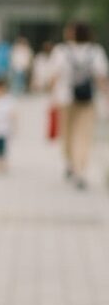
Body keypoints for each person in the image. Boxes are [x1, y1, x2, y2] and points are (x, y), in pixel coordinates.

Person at [51, 21, 108, 189]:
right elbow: (101, 78)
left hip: (65, 99)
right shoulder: (96, 51)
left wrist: (51, 97)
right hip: (88, 100)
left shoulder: (61, 51)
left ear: (72, 33)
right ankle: (80, 169)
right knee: (84, 135)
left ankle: (71, 163)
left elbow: (54, 76)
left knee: (67, 134)